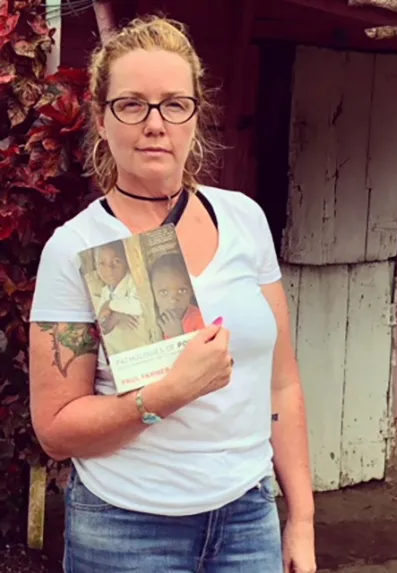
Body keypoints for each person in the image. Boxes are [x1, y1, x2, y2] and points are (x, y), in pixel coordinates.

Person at [27, 15, 316, 573]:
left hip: (247, 518)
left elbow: (283, 383)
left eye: (174, 104)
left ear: (196, 114)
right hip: (125, 528)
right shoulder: (78, 248)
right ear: (101, 117)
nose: (154, 123)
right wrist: (167, 395)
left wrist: (300, 518)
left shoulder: (244, 220)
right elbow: (56, 431)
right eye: (132, 104)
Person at [91, 239, 149, 354]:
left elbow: (140, 306)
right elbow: (104, 324)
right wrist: (115, 317)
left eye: (117, 261)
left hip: (141, 350)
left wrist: (110, 305)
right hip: (119, 353)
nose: (109, 269)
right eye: (102, 263)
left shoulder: (133, 281)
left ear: (127, 262)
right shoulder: (105, 291)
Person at [149, 251, 205, 338]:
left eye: (182, 291)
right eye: (164, 292)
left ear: (192, 291)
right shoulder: (150, 318)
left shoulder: (200, 320)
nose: (173, 299)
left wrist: (178, 335)